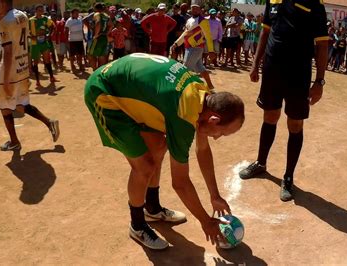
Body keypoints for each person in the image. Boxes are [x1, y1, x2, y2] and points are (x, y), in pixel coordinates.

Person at [84, 53, 244, 250]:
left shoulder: (204, 95)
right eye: (222, 133)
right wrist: (206, 221)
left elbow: (202, 150)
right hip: (105, 93)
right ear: (213, 120)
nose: (218, 137)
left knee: (159, 146)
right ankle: (137, 224)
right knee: (144, 166)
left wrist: (214, 195)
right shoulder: (184, 114)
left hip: (132, 87)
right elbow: (181, 183)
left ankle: (152, 208)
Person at [239, 0, 328, 201]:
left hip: (298, 73)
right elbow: (265, 32)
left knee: (295, 123)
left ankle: (288, 176)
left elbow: (322, 44)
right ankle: (261, 163)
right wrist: (255, 64)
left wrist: (319, 81)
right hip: (272, 69)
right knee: (269, 116)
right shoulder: (273, 0)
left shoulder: (315, 3)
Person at [0, 0, 60, 151]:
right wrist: (28, 66)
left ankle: (14, 141)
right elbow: (27, 42)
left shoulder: (5, 22)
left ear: (3, 3)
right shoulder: (22, 16)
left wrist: (5, 80)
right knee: (21, 104)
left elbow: (9, 52)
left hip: (10, 71)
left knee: (5, 107)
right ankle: (49, 122)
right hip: (22, 67)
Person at [172, 0, 216, 90]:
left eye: (197, 8)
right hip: (189, 47)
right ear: (191, 9)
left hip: (195, 48)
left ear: (200, 10)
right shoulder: (189, 20)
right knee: (200, 68)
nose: (195, 10)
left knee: (185, 68)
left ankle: (184, 89)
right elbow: (185, 33)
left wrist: (211, 50)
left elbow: (208, 36)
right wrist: (176, 43)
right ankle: (210, 85)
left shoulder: (203, 21)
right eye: (193, 8)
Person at [29, 5, 58, 87]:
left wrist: (49, 35)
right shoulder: (30, 20)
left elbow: (53, 26)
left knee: (47, 60)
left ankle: (52, 77)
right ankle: (38, 81)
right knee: (36, 62)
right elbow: (26, 31)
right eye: (39, 10)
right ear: (35, 10)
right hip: (35, 44)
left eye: (42, 10)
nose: (40, 11)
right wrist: (31, 36)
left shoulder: (45, 19)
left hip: (44, 43)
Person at [88, 2, 112, 70]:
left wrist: (96, 35)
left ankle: (95, 69)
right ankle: (100, 70)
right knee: (101, 55)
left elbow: (98, 23)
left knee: (90, 54)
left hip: (98, 37)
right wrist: (106, 33)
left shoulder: (97, 14)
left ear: (95, 8)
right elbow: (111, 25)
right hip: (104, 37)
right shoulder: (106, 15)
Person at [65, 8, 85, 73]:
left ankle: (80, 66)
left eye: (78, 13)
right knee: (72, 55)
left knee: (80, 54)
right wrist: (66, 39)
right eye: (76, 13)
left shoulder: (80, 19)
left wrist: (84, 37)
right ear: (72, 14)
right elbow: (66, 30)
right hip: (72, 40)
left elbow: (82, 29)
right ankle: (72, 67)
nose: (77, 14)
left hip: (80, 39)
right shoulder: (69, 21)